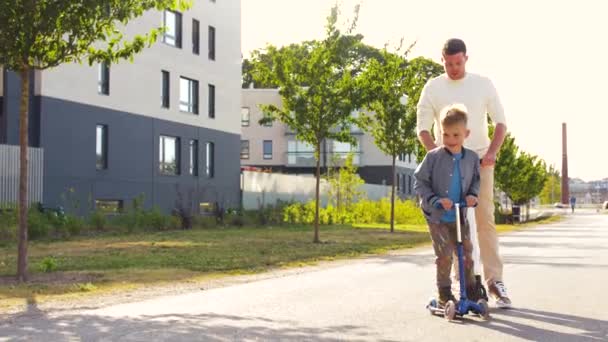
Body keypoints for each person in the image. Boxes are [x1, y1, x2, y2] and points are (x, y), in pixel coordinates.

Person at [416, 38, 511, 308]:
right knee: (451, 223)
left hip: (478, 163)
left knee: (484, 220)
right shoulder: (433, 88)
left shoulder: (483, 84)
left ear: (466, 58)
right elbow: (422, 128)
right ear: (442, 60)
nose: (454, 68)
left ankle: (494, 281)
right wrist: (438, 156)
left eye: (458, 63)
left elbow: (501, 123)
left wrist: (492, 152)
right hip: (445, 166)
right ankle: (462, 282)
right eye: (448, 64)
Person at [414, 105, 480, 306]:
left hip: (459, 215)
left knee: (466, 252)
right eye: (445, 135)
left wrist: (472, 195)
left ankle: (470, 290)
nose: (450, 140)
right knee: (444, 255)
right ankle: (444, 292)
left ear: (466, 134)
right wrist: (435, 200)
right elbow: (420, 182)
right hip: (437, 216)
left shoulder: (472, 158)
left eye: (455, 135)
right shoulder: (433, 157)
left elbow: (476, 180)